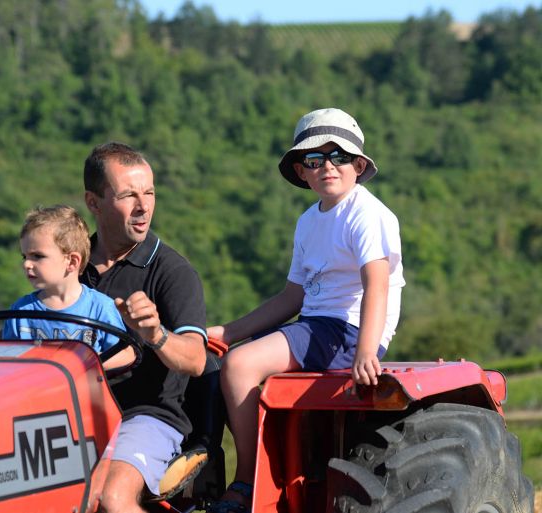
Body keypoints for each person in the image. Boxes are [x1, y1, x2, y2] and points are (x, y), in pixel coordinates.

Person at [206, 108, 406, 513]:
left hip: (350, 330)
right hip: (314, 325)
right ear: (302, 171)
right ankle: (219, 474)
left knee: (241, 367)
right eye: (315, 160)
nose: (327, 166)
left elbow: (377, 284)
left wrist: (367, 350)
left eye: (339, 156)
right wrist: (228, 332)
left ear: (359, 165)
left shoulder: (367, 214)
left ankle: (246, 483)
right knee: (213, 366)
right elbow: (292, 298)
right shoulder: (307, 222)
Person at [80, 142, 208, 513]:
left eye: (149, 193)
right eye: (128, 195)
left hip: (146, 415)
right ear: (93, 202)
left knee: (111, 497)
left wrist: (157, 336)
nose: (143, 207)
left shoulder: (172, 272)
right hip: (75, 413)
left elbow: (197, 360)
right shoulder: (72, 267)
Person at [1, 204, 134, 370]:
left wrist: (84, 363)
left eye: (37, 256)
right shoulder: (21, 311)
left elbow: (126, 354)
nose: (27, 264)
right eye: (24, 256)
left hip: (81, 394)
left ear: (72, 262)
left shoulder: (100, 308)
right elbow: (7, 364)